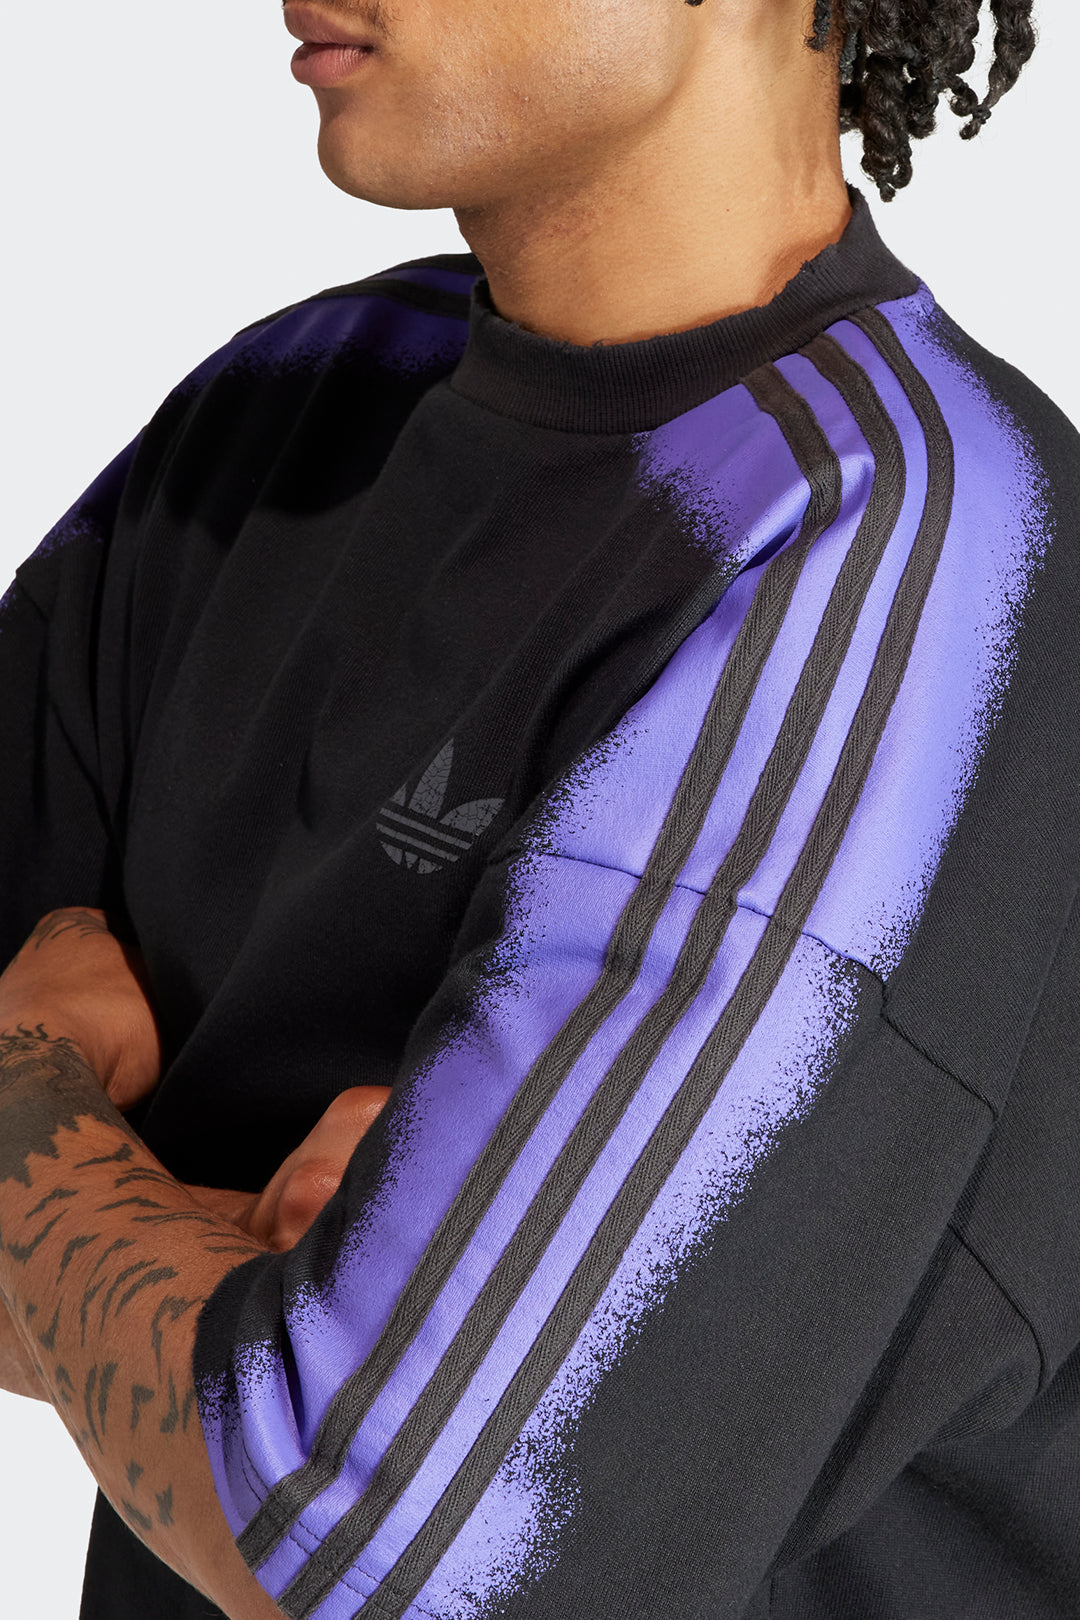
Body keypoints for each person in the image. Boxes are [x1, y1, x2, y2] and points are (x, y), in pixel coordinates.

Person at [1, 0, 1075, 1615]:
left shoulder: (909, 571)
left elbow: (379, 1549)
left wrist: (29, 1085)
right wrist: (262, 1313)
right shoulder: (293, 407)